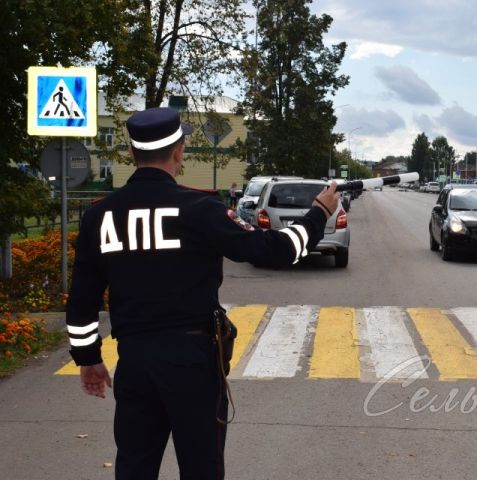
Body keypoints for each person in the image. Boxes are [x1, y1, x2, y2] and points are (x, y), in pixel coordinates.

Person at [65, 107, 339, 479]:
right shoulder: (199, 209)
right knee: (202, 468)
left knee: (134, 465)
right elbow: (277, 250)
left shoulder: (100, 216)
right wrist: (319, 213)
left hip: (135, 361)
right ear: (178, 151)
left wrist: (88, 358)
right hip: (192, 362)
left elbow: (82, 300)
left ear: (131, 154)